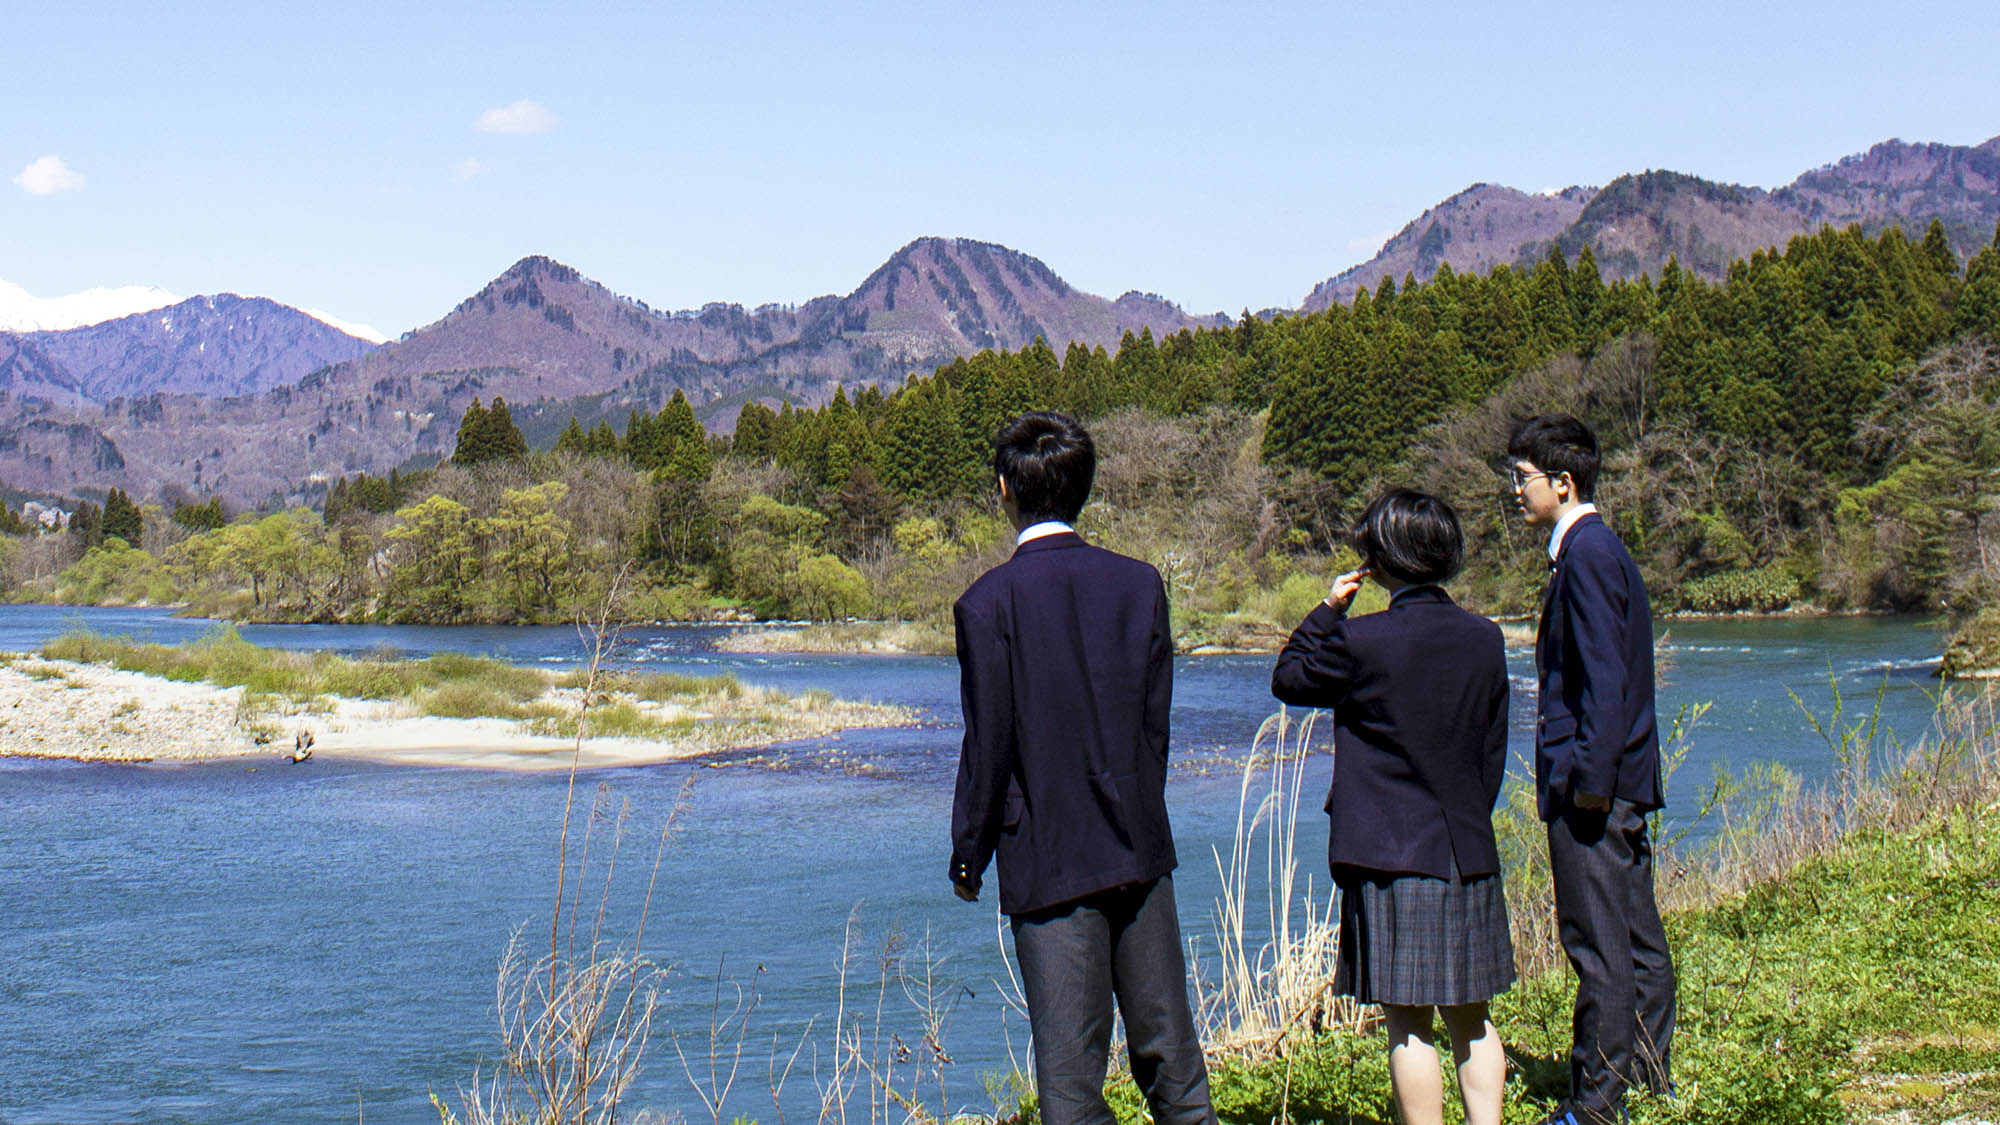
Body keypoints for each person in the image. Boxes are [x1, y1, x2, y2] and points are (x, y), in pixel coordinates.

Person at [948, 411, 1215, 1125]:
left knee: (1071, 1086)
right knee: (1175, 1068)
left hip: (1046, 857)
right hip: (1137, 843)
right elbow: (1153, 724)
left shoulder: (985, 604)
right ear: (1083, 488)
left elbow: (989, 742)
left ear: (1004, 489)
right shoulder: (1138, 584)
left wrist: (970, 851)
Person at [1272, 489, 1514, 1125]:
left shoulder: (1361, 640)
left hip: (1388, 852)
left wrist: (1328, 607)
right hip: (1464, 845)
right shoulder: (1486, 638)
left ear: (1379, 561)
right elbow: (1493, 750)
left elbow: (1289, 678)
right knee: (1472, 1012)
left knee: (1407, 1018)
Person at [1508, 414, 1676, 1125]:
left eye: (1524, 479)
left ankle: (1597, 1106)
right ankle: (1645, 1077)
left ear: (1564, 482)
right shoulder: (1598, 551)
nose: (1516, 491)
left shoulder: (1588, 556)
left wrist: (1587, 787)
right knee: (1635, 936)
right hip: (1616, 781)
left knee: (1598, 942)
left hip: (1595, 789)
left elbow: (1603, 682)